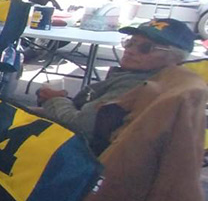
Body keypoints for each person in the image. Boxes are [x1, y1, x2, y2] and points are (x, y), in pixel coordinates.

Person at [37, 19, 194, 141]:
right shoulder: (150, 76)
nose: (130, 50)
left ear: (175, 58)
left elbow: (79, 126)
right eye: (130, 42)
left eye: (146, 48)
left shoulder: (137, 86)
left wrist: (56, 100)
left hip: (79, 154)